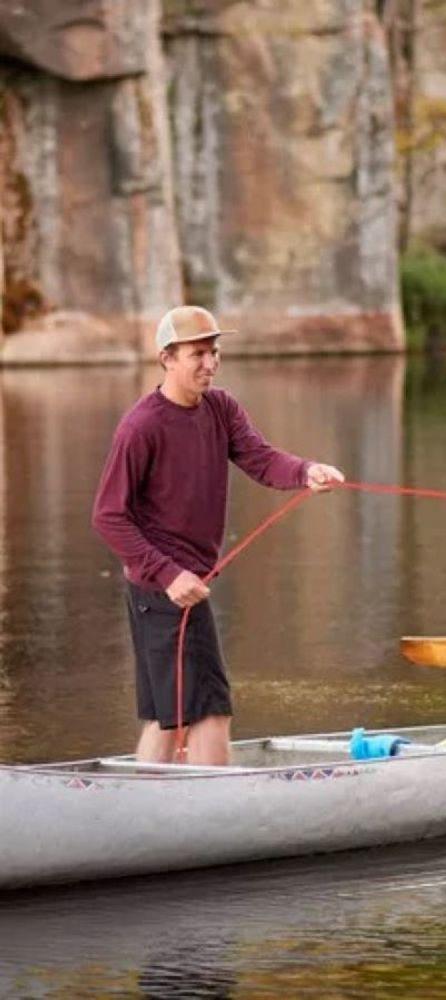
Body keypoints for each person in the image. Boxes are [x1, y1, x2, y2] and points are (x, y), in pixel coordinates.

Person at [92, 305, 345, 766]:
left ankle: (146, 811)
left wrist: (307, 471)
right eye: (197, 354)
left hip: (177, 589)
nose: (209, 363)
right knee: (209, 710)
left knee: (168, 718)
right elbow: (109, 516)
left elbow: (261, 458)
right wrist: (169, 575)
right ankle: (207, 805)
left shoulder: (220, 408)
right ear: (167, 358)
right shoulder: (141, 426)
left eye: (214, 352)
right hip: (163, 590)